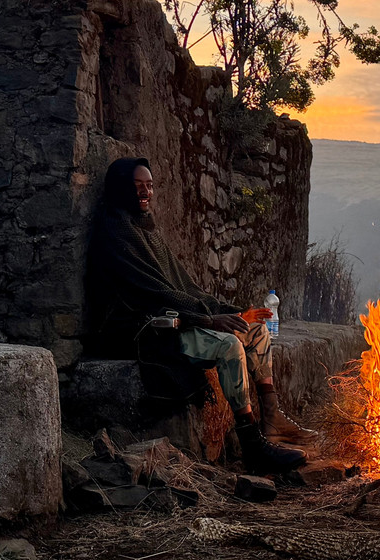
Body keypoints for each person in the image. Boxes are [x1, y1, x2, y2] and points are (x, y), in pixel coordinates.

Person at [87, 156, 316, 474]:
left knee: (257, 329)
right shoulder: (116, 234)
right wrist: (208, 320)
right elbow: (153, 295)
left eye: (150, 186)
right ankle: (252, 446)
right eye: (138, 186)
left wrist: (229, 312)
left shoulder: (145, 229)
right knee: (229, 346)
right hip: (146, 330)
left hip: (181, 317)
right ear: (120, 188)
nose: (146, 193)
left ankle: (272, 416)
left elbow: (184, 287)